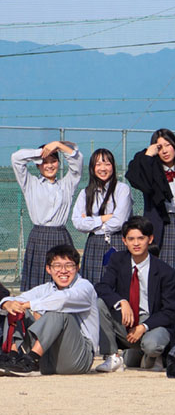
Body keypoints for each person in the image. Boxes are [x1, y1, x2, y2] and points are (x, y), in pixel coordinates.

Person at [94, 216, 175, 372]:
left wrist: (144, 326)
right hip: (127, 318)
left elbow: (171, 310)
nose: (136, 243)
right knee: (99, 303)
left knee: (152, 346)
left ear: (150, 239)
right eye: (131, 239)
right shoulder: (118, 260)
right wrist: (122, 302)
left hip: (153, 322)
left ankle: (151, 355)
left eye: (140, 238)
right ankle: (112, 356)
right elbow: (102, 287)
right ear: (124, 241)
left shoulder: (165, 271)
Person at [0, 245, 98, 376]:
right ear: (48, 269)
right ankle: (11, 356)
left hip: (78, 358)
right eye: (57, 266)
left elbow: (63, 300)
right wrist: (7, 303)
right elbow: (19, 299)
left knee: (58, 313)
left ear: (77, 267)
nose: (63, 271)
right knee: (15, 307)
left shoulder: (85, 286)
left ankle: (31, 359)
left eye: (69, 266)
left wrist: (30, 304)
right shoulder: (45, 288)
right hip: (48, 356)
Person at [125, 129, 175, 289]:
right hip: (159, 226)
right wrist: (147, 154)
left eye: (167, 145)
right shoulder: (149, 171)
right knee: (156, 276)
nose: (164, 150)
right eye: (159, 147)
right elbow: (133, 175)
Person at [12, 140, 83, 291]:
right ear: (38, 165)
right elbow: (16, 158)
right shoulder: (30, 183)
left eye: (53, 161)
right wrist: (41, 152)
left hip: (60, 236)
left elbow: (78, 161)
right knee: (37, 286)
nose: (49, 165)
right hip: (38, 237)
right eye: (44, 162)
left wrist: (58, 145)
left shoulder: (67, 184)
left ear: (59, 163)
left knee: (65, 282)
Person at [71, 148, 133, 285]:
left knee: (118, 285)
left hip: (117, 242)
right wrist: (103, 219)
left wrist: (91, 224)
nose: (103, 168)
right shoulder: (85, 192)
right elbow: (77, 222)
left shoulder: (122, 189)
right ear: (92, 168)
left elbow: (119, 222)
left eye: (107, 164)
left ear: (113, 167)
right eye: (98, 164)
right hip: (93, 244)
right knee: (92, 287)